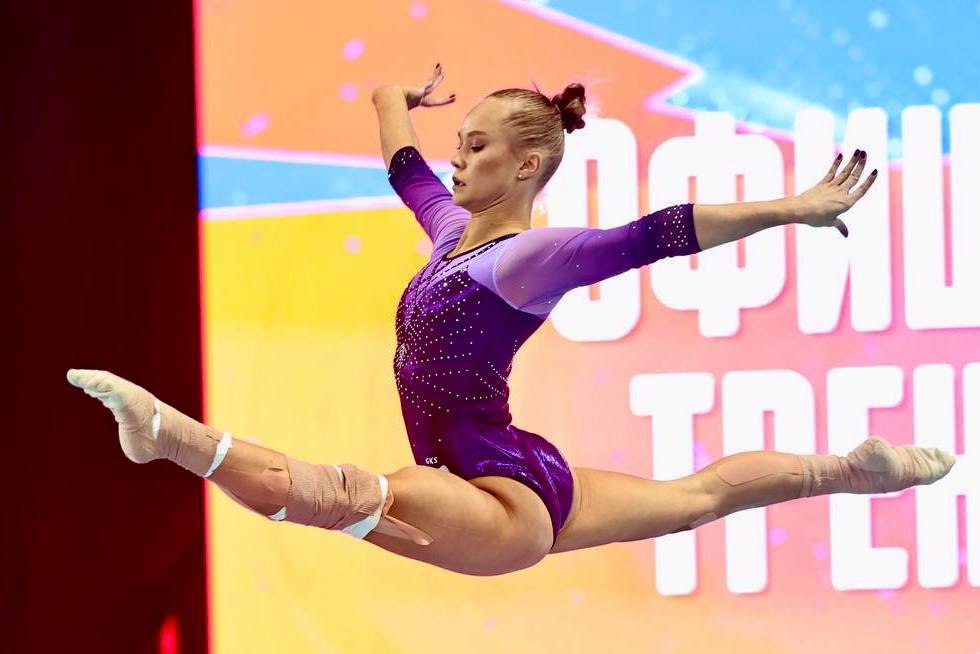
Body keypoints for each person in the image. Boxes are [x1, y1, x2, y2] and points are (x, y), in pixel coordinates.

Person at [67, 64, 956, 578]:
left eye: (478, 147)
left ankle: (166, 436)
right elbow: (405, 167)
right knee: (695, 501)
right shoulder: (450, 236)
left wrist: (790, 207)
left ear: (527, 166)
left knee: (339, 497)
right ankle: (855, 471)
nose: (456, 163)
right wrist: (389, 98)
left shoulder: (529, 259)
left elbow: (656, 234)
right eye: (459, 146)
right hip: (512, 463)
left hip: (496, 500)